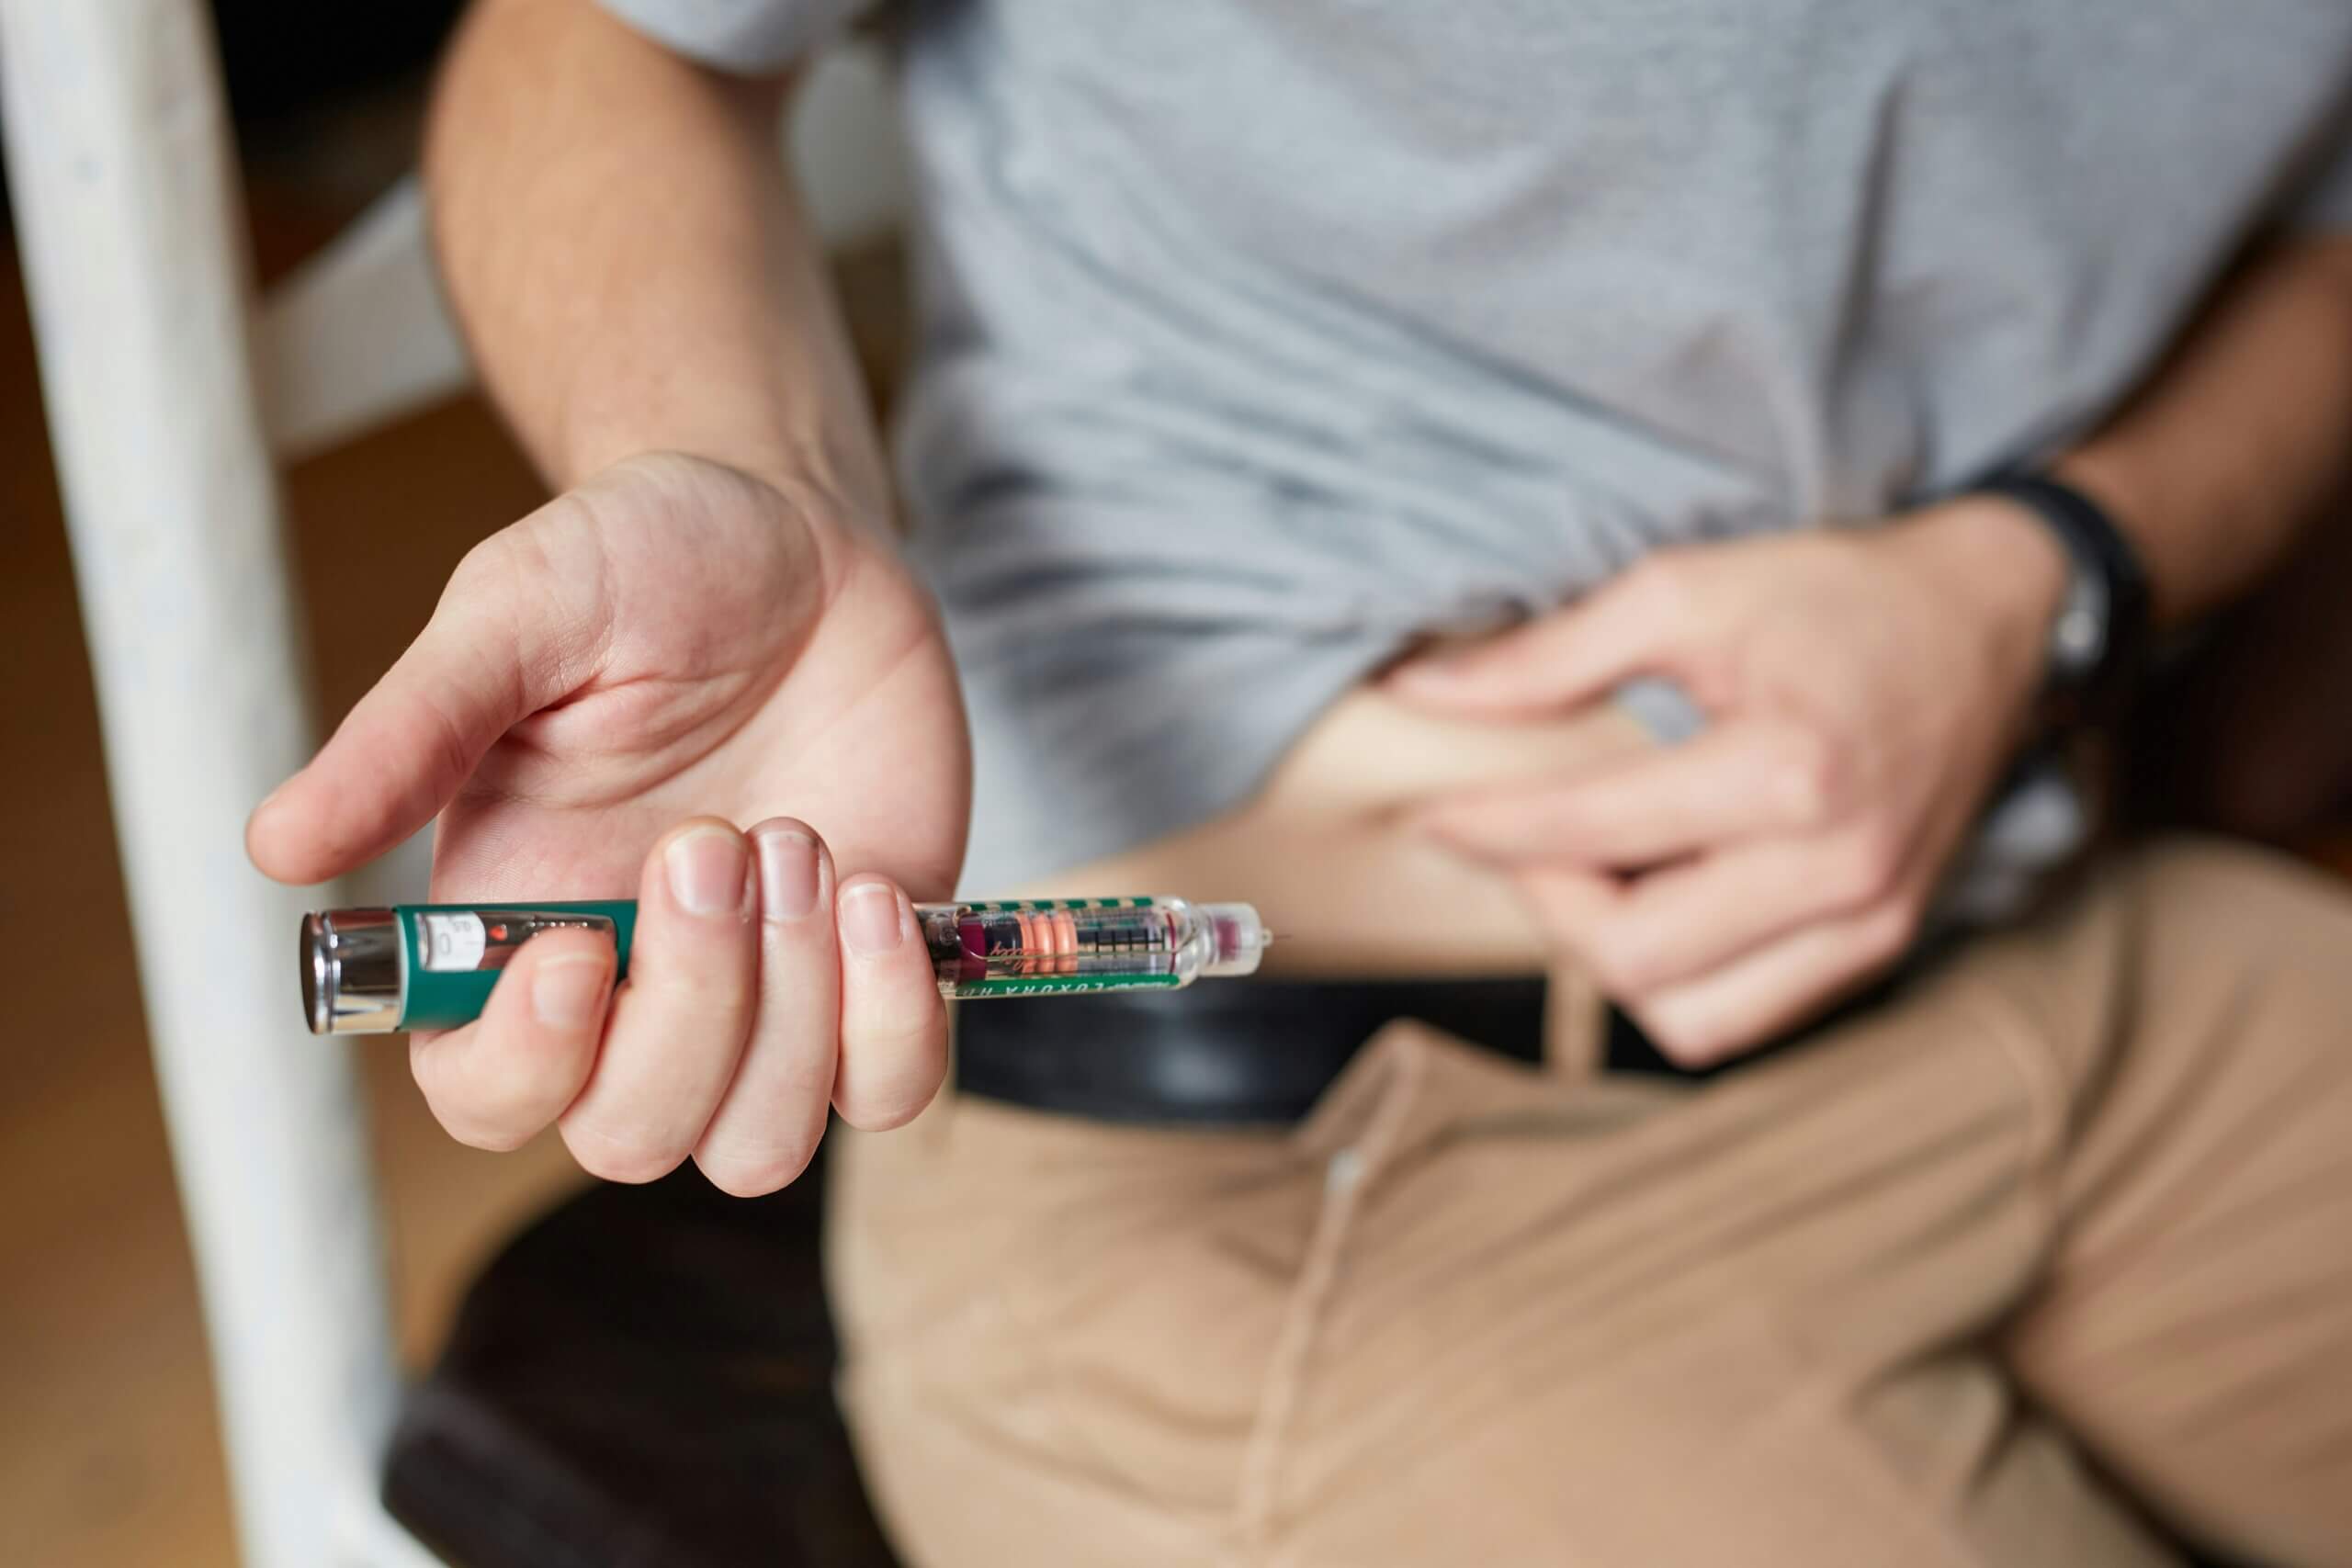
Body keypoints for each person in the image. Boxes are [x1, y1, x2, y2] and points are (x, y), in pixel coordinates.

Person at [248, 0, 2352, 1562]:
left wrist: (2047, 564)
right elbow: (594, 38)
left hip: (2042, 930)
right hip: (1266, 1195)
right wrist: (754, 475)